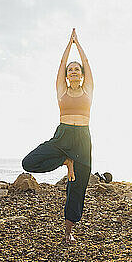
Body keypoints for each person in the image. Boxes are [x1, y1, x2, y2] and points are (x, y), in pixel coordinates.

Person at [21, 28, 93, 244]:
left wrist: (78, 45)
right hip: (62, 136)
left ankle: (68, 231)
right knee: (29, 162)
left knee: (77, 188)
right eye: (70, 69)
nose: (72, 71)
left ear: (81, 76)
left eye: (76, 70)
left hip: (82, 139)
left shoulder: (88, 90)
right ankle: (65, 161)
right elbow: (61, 65)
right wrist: (67, 46)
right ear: (66, 75)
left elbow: (87, 64)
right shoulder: (61, 90)